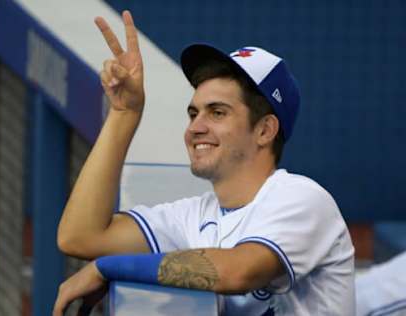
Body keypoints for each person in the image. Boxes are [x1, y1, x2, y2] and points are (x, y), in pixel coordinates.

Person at [53, 10, 355, 316]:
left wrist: (107, 268)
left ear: (264, 130)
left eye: (217, 112)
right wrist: (124, 114)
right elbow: (80, 237)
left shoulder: (301, 199)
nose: (195, 127)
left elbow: (238, 271)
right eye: (193, 113)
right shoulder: (194, 216)